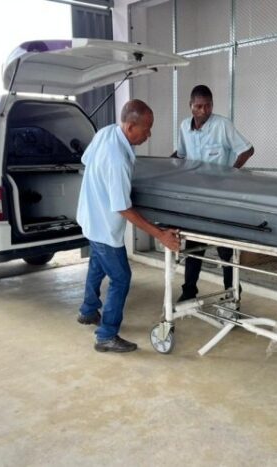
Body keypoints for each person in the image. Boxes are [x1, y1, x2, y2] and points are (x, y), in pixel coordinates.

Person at [76, 99, 181, 353]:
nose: (149, 134)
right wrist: (160, 235)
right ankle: (106, 335)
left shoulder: (105, 133)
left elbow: (86, 160)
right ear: (131, 127)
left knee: (97, 264)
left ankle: (88, 311)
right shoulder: (117, 159)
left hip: (89, 216)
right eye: (147, 129)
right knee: (121, 277)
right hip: (103, 225)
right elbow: (123, 207)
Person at [172, 84, 255, 302]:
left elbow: (247, 150)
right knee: (193, 247)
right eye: (199, 106)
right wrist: (164, 167)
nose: (204, 111)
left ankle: (232, 294)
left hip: (220, 199)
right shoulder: (184, 127)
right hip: (196, 198)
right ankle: (189, 291)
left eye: (208, 106)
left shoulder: (222, 125)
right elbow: (180, 155)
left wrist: (231, 173)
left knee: (225, 249)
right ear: (191, 106)